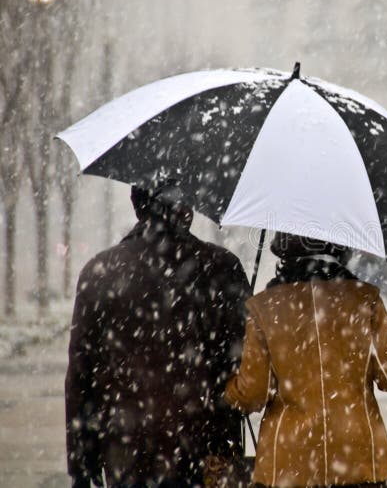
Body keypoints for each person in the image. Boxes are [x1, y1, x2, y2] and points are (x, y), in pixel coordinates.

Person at [65, 181, 251, 487]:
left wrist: (82, 466)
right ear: (186, 210)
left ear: (138, 206)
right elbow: (244, 366)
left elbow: (81, 379)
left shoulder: (100, 273)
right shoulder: (221, 268)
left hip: (127, 453)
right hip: (208, 456)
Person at [225, 232, 387, 488]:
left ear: (283, 249)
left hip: (287, 462)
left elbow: (253, 393)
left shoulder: (265, 307)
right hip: (359, 458)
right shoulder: (365, 299)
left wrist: (228, 390)